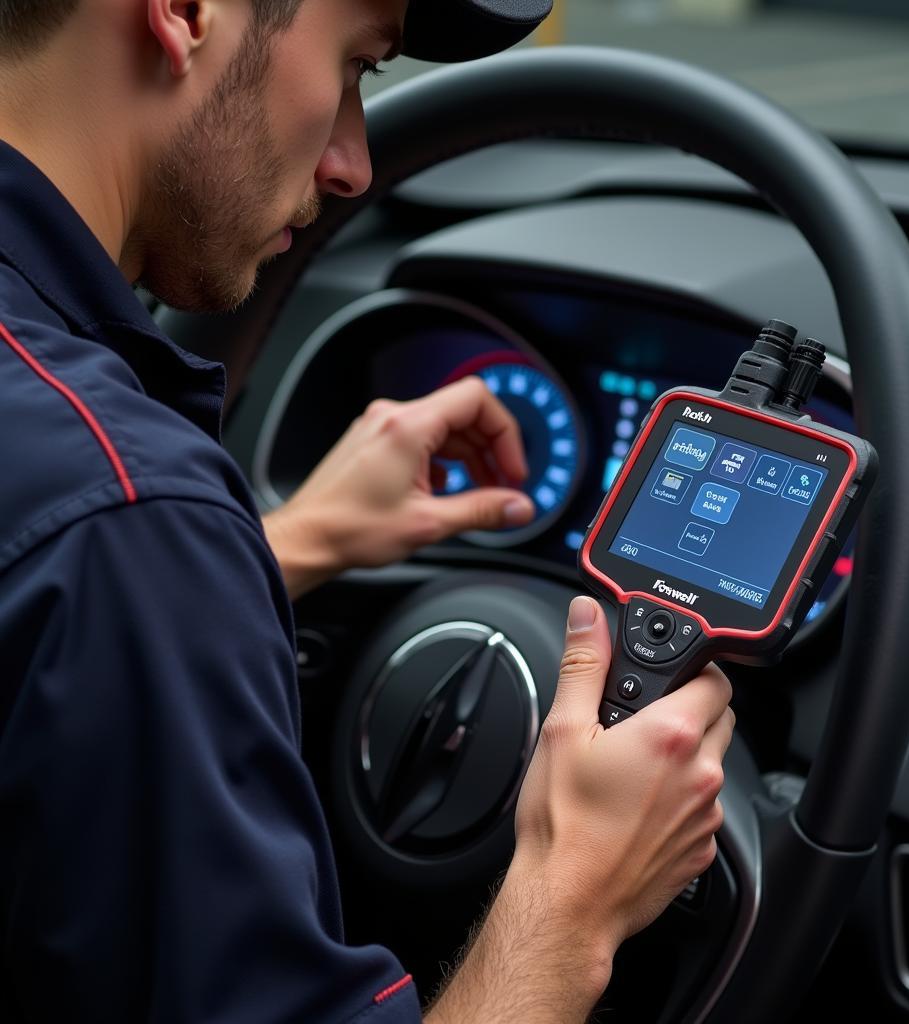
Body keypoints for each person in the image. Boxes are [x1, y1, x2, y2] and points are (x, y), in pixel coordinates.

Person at [0, 1, 735, 1021]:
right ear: (184, 12)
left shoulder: (100, 513)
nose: (350, 162)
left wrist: (282, 547)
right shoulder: (125, 520)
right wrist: (575, 895)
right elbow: (95, 544)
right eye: (354, 67)